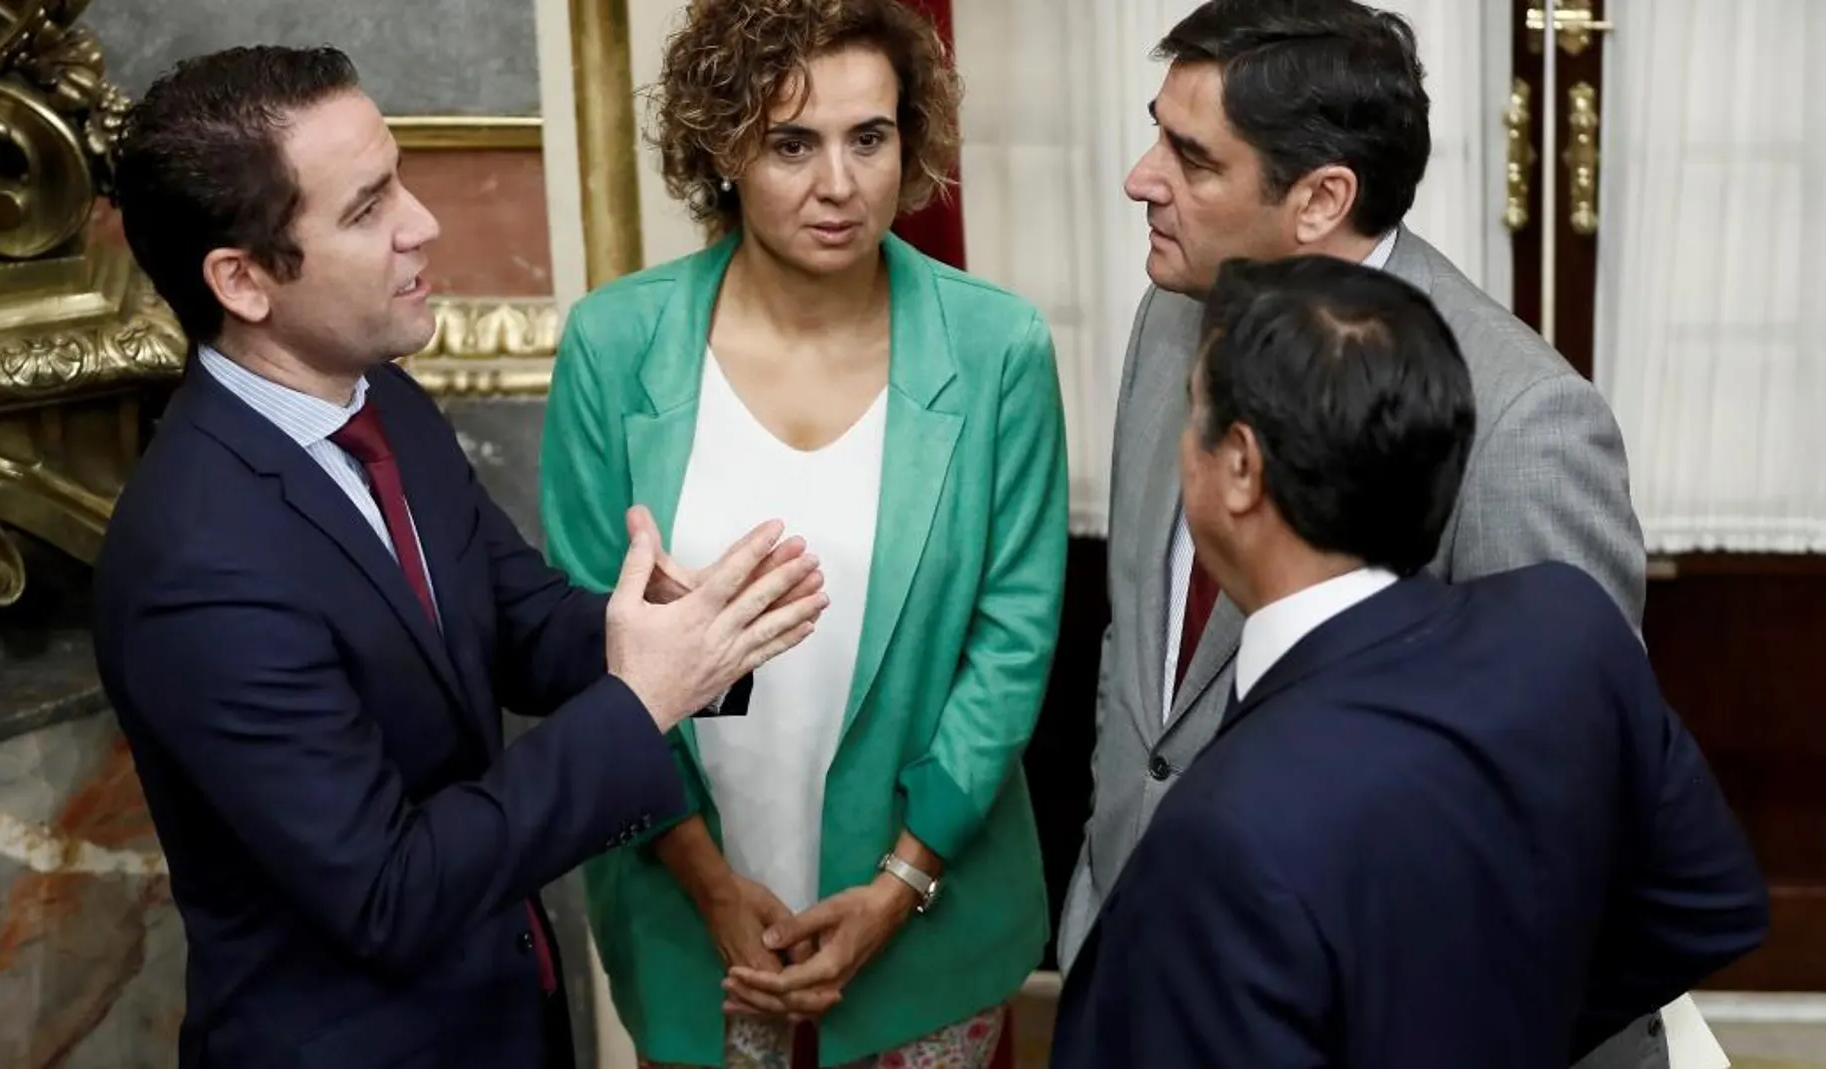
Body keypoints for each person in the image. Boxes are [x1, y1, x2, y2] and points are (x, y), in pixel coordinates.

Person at [95, 46, 826, 1069]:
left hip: (503, 1014)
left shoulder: (378, 397)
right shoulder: (196, 565)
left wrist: (689, 629)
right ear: (243, 280)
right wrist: (639, 700)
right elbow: (387, 891)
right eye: (364, 209)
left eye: (397, 174)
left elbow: (514, 619)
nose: (421, 223)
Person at [1060, 1, 1663, 1062]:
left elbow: (1558, 813)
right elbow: (1139, 648)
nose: (1139, 178)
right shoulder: (1174, 314)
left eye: (1190, 157)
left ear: (1319, 199)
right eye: (1156, 131)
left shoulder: (1520, 425)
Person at [1051, 254, 1768, 1069]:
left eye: (1193, 415)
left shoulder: (1220, 834)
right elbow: (1709, 903)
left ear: (1242, 468)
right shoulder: (1570, 626)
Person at [537, 1, 1068, 1066]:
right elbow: (588, 646)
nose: (840, 184)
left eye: (869, 137)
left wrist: (899, 885)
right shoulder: (614, 344)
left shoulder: (997, 345)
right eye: (792, 143)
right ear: (720, 146)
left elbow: (1012, 642)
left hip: (932, 913)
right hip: (696, 921)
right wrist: (708, 881)